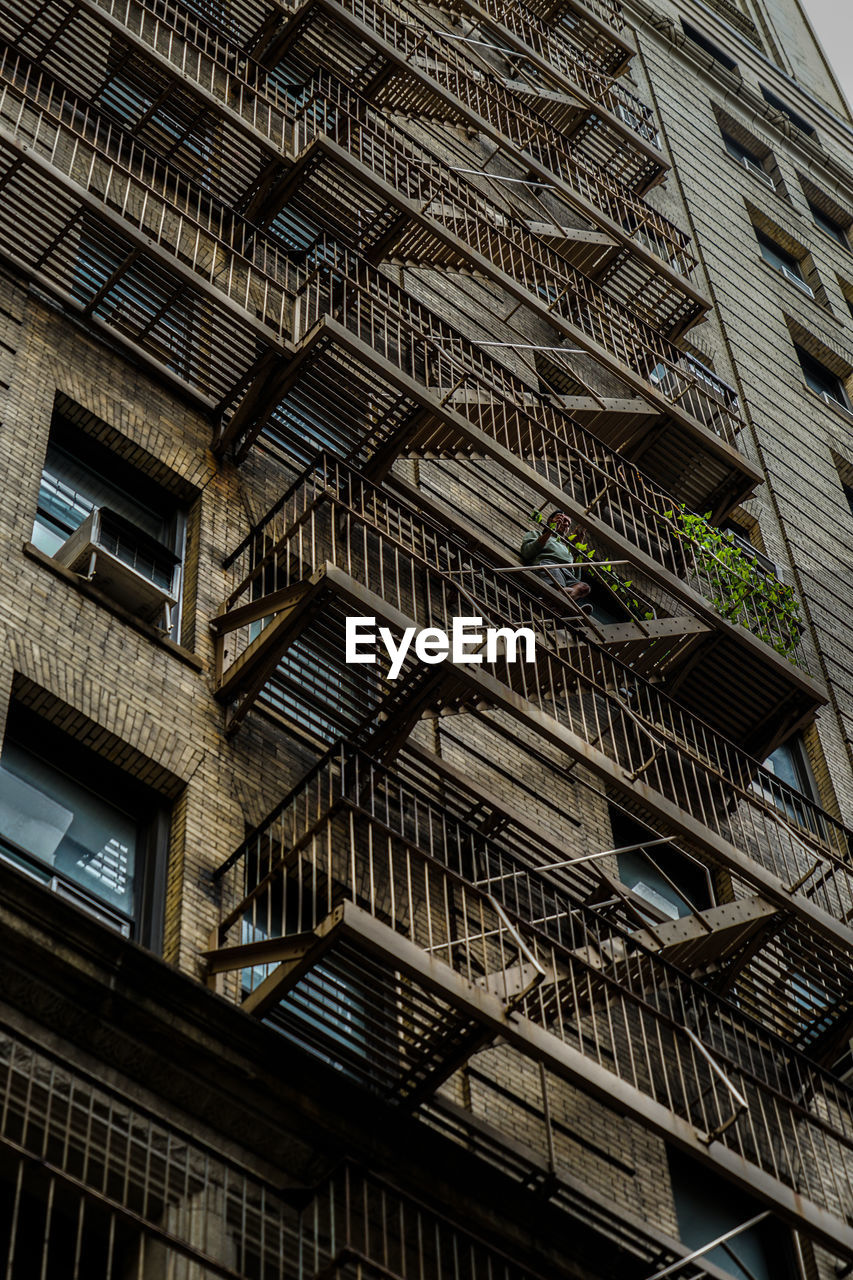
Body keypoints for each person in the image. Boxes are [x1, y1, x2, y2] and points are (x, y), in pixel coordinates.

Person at [519, 512, 592, 612]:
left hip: (565, 575)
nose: (566, 524)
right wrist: (550, 531)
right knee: (556, 574)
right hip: (548, 566)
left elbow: (576, 578)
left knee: (584, 587)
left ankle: (556, 602)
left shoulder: (567, 550)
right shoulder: (537, 534)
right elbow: (527, 553)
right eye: (562, 519)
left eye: (568, 524)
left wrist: (575, 551)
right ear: (550, 520)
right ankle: (566, 607)